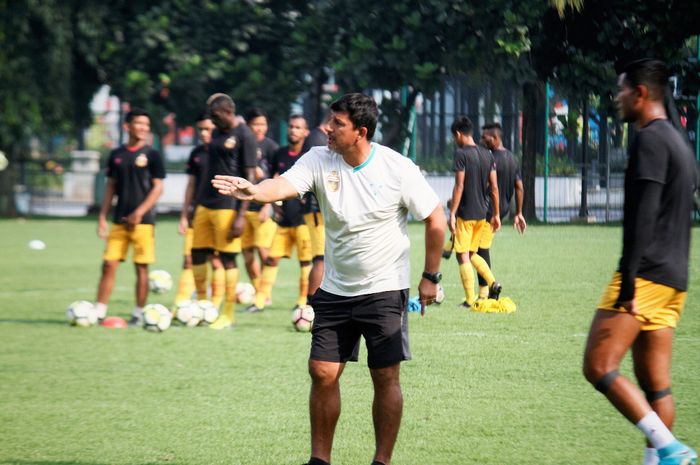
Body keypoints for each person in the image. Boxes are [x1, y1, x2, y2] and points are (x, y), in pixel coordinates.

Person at [212, 93, 445, 465]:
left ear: (360, 132)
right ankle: (319, 460)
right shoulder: (319, 158)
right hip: (335, 290)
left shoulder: (396, 168)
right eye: (329, 120)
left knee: (385, 378)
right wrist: (255, 192)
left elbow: (436, 218)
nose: (327, 128)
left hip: (384, 289)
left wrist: (430, 276)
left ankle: (381, 461)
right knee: (321, 372)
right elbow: (284, 185)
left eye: (337, 123)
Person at [582, 59, 697, 465]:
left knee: (598, 365)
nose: (617, 98)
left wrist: (628, 280)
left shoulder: (649, 139)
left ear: (641, 94)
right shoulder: (680, 142)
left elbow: (644, 215)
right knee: (657, 387)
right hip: (674, 279)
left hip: (644, 275)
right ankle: (661, 460)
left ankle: (670, 449)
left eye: (622, 90)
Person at [190, 93, 257, 329]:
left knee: (227, 259)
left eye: (216, 116)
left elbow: (250, 177)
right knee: (197, 254)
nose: (213, 122)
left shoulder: (245, 135)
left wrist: (241, 215)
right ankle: (203, 307)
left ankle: (228, 314)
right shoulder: (218, 133)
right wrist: (194, 204)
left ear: (228, 112)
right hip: (204, 204)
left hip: (228, 207)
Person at [94, 108, 165, 325]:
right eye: (139, 123)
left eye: (146, 124)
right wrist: (103, 216)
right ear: (127, 126)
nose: (143, 128)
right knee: (108, 264)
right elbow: (111, 187)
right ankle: (99, 311)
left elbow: (158, 188)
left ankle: (138, 312)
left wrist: (140, 212)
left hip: (143, 223)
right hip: (119, 221)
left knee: (141, 267)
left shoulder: (153, 155)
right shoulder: (117, 155)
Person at [247, 115, 312, 313]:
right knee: (271, 259)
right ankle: (259, 301)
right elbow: (273, 179)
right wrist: (272, 205)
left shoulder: (310, 157)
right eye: (291, 126)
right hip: (283, 220)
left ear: (305, 133)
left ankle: (302, 301)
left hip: (303, 220)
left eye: (298, 127)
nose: (293, 130)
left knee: (306, 262)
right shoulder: (279, 153)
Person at [448, 116, 501, 307]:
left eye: (455, 137)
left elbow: (459, 185)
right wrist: (495, 214)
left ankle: (470, 300)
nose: (455, 140)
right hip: (482, 213)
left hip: (466, 212)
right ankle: (493, 282)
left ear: (458, 134)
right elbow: (494, 187)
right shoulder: (488, 154)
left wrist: (452, 213)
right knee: (471, 253)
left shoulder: (461, 154)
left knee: (462, 255)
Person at [174, 112, 223, 305]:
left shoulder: (223, 152)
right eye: (201, 129)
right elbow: (191, 185)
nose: (204, 133)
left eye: (208, 129)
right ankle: (183, 303)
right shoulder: (196, 154)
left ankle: (215, 304)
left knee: (217, 260)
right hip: (199, 213)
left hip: (220, 212)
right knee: (190, 259)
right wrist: (184, 214)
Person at [474, 122, 526, 298]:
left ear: (495, 138)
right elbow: (519, 187)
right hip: (501, 209)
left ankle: (489, 290)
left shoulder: (490, 159)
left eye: (484, 137)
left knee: (478, 250)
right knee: (480, 249)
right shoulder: (512, 158)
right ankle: (485, 292)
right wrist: (518, 212)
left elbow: (488, 186)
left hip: (489, 209)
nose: (481, 140)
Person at [242, 108, 279, 296]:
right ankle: (258, 293)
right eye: (255, 124)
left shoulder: (271, 148)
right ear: (248, 125)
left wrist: (267, 205)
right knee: (247, 255)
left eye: (262, 124)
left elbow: (276, 177)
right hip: (244, 209)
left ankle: (265, 295)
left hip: (263, 207)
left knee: (263, 251)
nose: (259, 128)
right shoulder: (242, 145)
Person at [300, 114, 331, 300]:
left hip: (318, 208)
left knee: (323, 259)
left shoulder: (317, 137)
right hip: (316, 209)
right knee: (320, 259)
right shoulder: (317, 139)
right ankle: (311, 305)